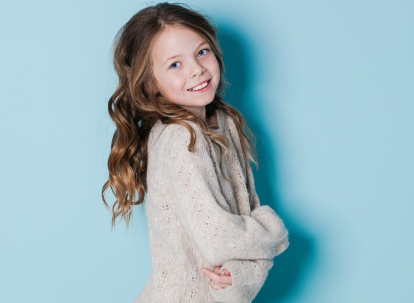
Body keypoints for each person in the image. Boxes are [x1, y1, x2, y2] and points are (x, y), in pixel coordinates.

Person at [102, 3, 289, 302]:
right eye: (175, 64)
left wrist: (243, 275)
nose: (197, 69)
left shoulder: (225, 123)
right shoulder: (180, 138)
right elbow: (220, 240)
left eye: (202, 52)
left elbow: (242, 219)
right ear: (150, 84)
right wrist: (272, 232)